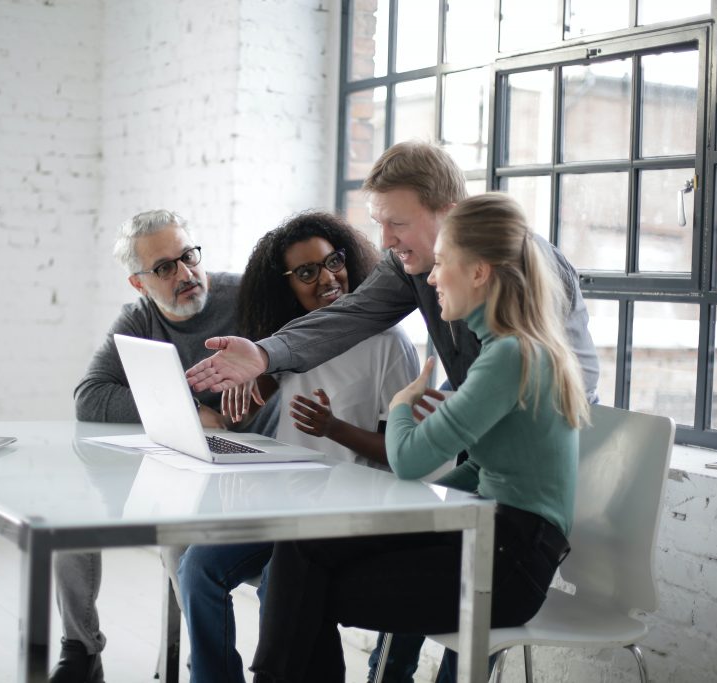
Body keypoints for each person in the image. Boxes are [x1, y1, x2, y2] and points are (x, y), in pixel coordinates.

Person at [185, 140, 599, 681]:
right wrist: (264, 353)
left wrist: (426, 407)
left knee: (317, 582)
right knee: (304, 556)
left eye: (396, 224)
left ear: (448, 217)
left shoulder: (522, 298)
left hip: (515, 519)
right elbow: (350, 316)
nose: (385, 242)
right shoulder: (423, 273)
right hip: (481, 486)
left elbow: (553, 390)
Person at [177, 212, 420, 682]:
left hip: (346, 509)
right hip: (283, 501)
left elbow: (401, 452)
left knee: (280, 586)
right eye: (307, 272)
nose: (328, 278)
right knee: (196, 569)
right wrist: (248, 403)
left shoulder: (388, 343)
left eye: (334, 262)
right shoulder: (285, 342)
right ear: (284, 285)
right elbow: (250, 414)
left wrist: (333, 428)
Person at [53, 209, 277, 683]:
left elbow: (295, 356)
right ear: (139, 283)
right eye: (164, 268)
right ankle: (81, 648)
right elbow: (90, 396)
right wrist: (191, 412)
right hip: (181, 464)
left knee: (181, 546)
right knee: (67, 514)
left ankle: (205, 664)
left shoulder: (246, 296)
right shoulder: (138, 318)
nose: (185, 274)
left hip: (252, 465)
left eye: (188, 256)